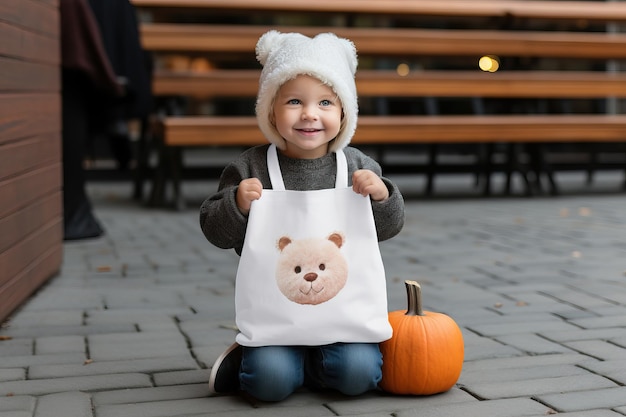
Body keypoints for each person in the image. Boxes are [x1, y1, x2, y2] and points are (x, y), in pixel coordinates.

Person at [199, 30, 405, 402]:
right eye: (294, 101)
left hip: (344, 319)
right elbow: (216, 232)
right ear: (271, 111)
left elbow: (388, 228)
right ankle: (260, 356)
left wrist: (382, 196)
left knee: (359, 375)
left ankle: (309, 361)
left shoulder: (357, 166)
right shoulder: (251, 167)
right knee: (268, 385)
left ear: (344, 113)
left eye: (326, 102)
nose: (310, 114)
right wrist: (236, 203)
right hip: (275, 318)